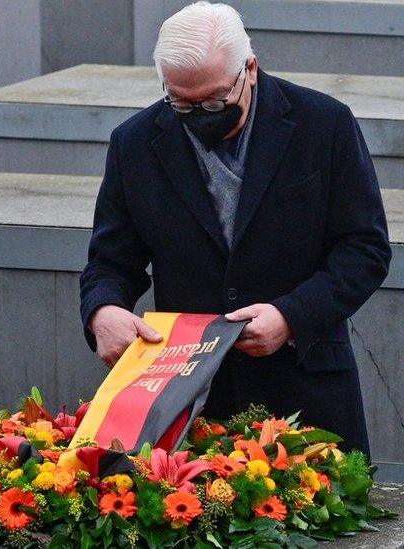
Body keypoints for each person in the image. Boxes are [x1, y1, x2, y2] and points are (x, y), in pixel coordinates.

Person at [80, 1, 390, 452]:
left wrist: (291, 315)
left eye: (214, 100)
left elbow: (365, 250)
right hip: (192, 402)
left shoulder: (324, 124)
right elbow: (110, 261)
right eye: (182, 103)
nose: (200, 114)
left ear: (251, 68)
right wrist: (101, 311)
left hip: (308, 392)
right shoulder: (135, 142)